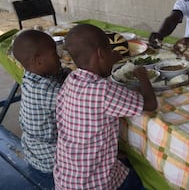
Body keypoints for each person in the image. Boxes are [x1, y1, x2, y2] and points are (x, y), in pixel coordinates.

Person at [53, 24, 157, 190]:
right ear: (101, 54)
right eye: (110, 52)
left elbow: (97, 87)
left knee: (122, 160)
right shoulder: (104, 91)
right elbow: (151, 105)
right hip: (97, 183)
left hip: (67, 178)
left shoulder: (71, 79)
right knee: (139, 178)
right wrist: (142, 75)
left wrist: (109, 60)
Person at [12, 30, 71, 189]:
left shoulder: (32, 74)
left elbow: (61, 74)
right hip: (50, 164)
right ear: (37, 61)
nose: (59, 58)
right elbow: (84, 104)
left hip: (34, 152)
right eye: (54, 54)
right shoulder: (45, 92)